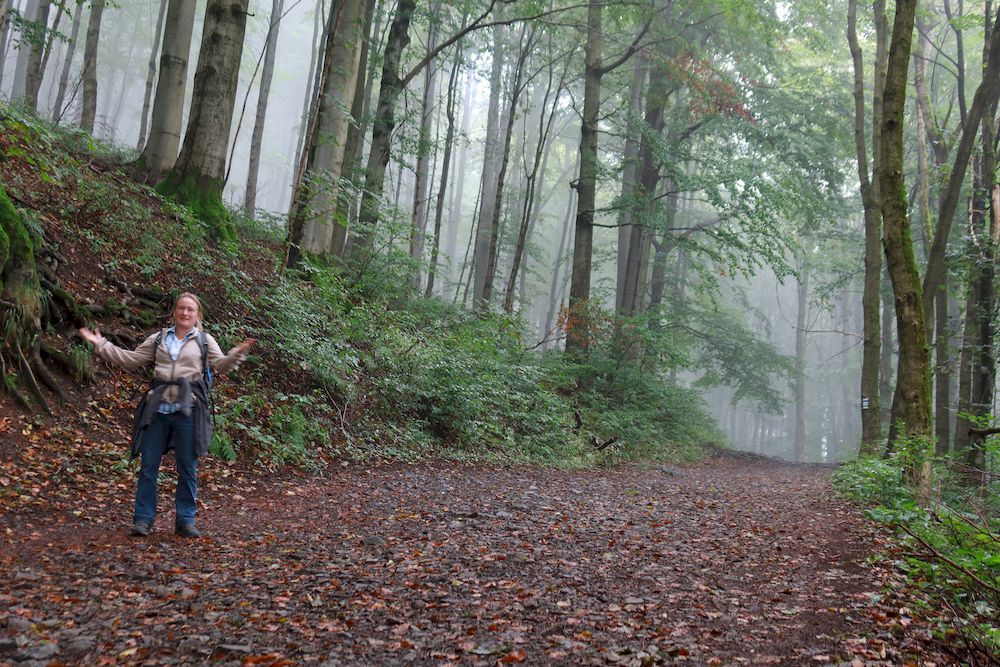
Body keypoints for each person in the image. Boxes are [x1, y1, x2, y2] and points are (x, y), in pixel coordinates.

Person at [79, 292, 255, 538]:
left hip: (189, 410)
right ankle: (143, 519)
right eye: (181, 308)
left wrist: (237, 353)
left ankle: (185, 520)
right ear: (174, 311)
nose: (185, 313)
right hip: (158, 408)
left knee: (187, 467)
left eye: (190, 310)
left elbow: (222, 365)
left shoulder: (204, 341)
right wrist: (101, 345)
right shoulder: (158, 338)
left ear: (197, 315)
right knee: (148, 466)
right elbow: (131, 359)